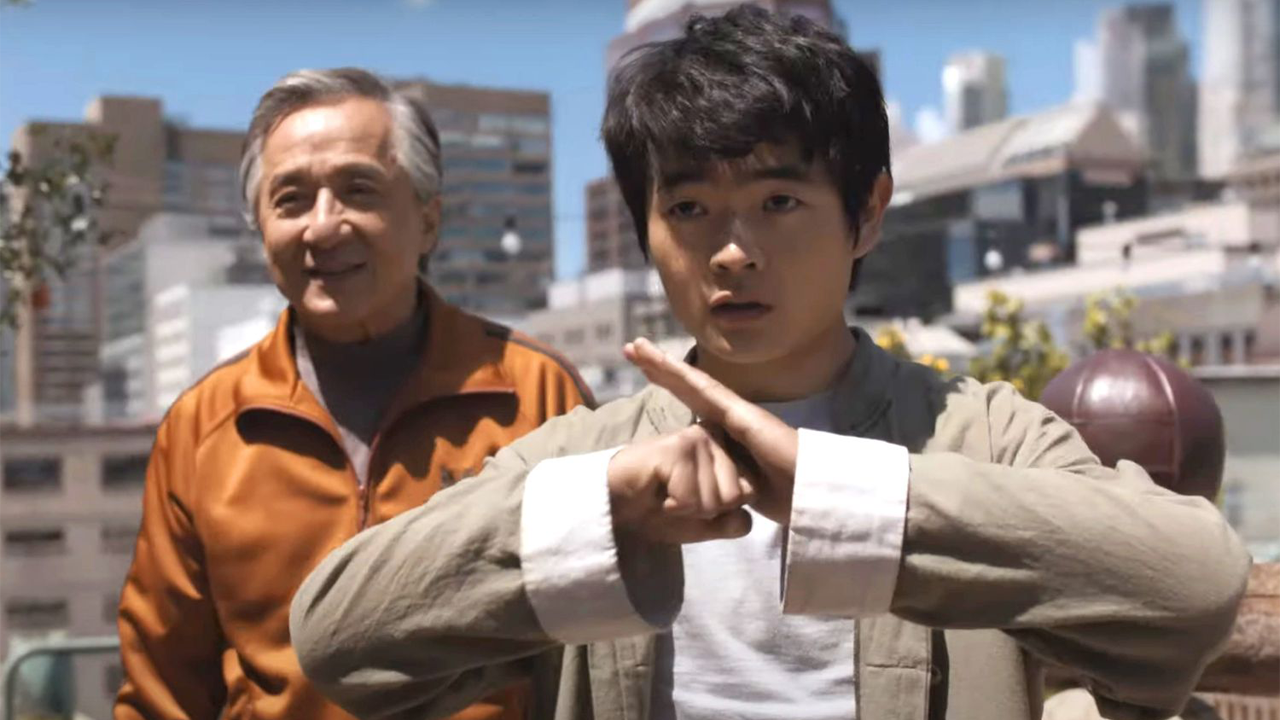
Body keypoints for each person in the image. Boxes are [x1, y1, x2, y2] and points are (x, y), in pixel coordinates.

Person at [289, 11, 1249, 720]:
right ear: (645, 230)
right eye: (689, 209)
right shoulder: (589, 456)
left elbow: (1197, 587)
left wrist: (848, 500)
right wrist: (604, 510)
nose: (732, 251)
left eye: (779, 202)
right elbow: (338, 638)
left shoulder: (981, 430)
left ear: (867, 214)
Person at [113, 68, 593, 720]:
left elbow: (604, 653)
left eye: (358, 190)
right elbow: (162, 689)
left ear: (429, 221)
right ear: (260, 229)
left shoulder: (535, 395)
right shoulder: (205, 428)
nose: (322, 226)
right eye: (290, 200)